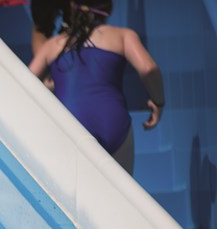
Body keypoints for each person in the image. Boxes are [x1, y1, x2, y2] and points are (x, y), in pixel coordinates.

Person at [28, 0, 165, 173]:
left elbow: (23, 83)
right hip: (112, 122)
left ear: (72, 6)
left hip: (70, 122)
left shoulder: (53, 45)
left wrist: (47, 87)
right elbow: (148, 68)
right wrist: (158, 101)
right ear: (108, 8)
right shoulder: (123, 36)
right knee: (120, 194)